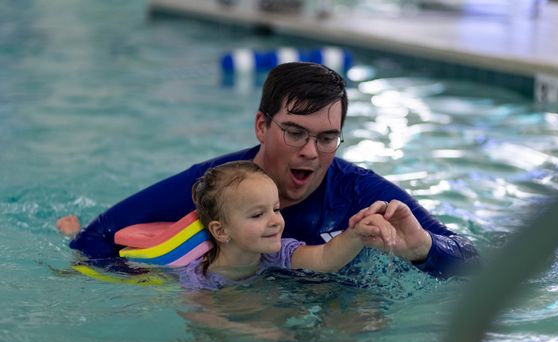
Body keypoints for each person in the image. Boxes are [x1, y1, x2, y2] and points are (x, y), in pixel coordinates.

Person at [57, 61, 477, 278]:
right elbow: (94, 240)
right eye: (294, 132)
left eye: (327, 138)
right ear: (262, 125)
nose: (311, 152)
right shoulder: (213, 187)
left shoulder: (361, 195)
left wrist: (423, 250)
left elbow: (475, 266)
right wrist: (142, 285)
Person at [176, 160, 396, 290]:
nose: (275, 220)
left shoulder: (279, 254)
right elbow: (203, 319)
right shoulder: (200, 279)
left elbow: (325, 258)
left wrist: (357, 234)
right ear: (221, 231)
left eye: (276, 209)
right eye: (258, 214)